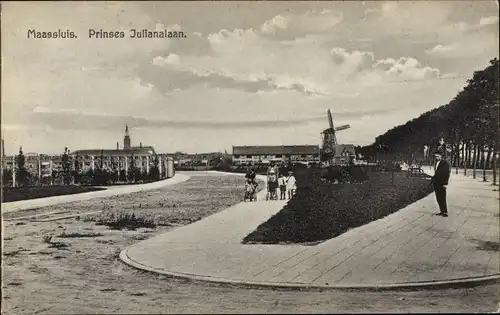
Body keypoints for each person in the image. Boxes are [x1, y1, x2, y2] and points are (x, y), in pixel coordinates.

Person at [431, 150, 450, 217]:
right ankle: (441, 211)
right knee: (438, 198)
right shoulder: (436, 163)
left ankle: (445, 212)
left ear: (441, 156)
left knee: (442, 197)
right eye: (435, 156)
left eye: (438, 156)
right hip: (436, 183)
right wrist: (433, 179)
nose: (437, 157)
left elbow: (447, 174)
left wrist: (445, 183)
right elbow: (436, 173)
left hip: (442, 183)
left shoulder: (445, 163)